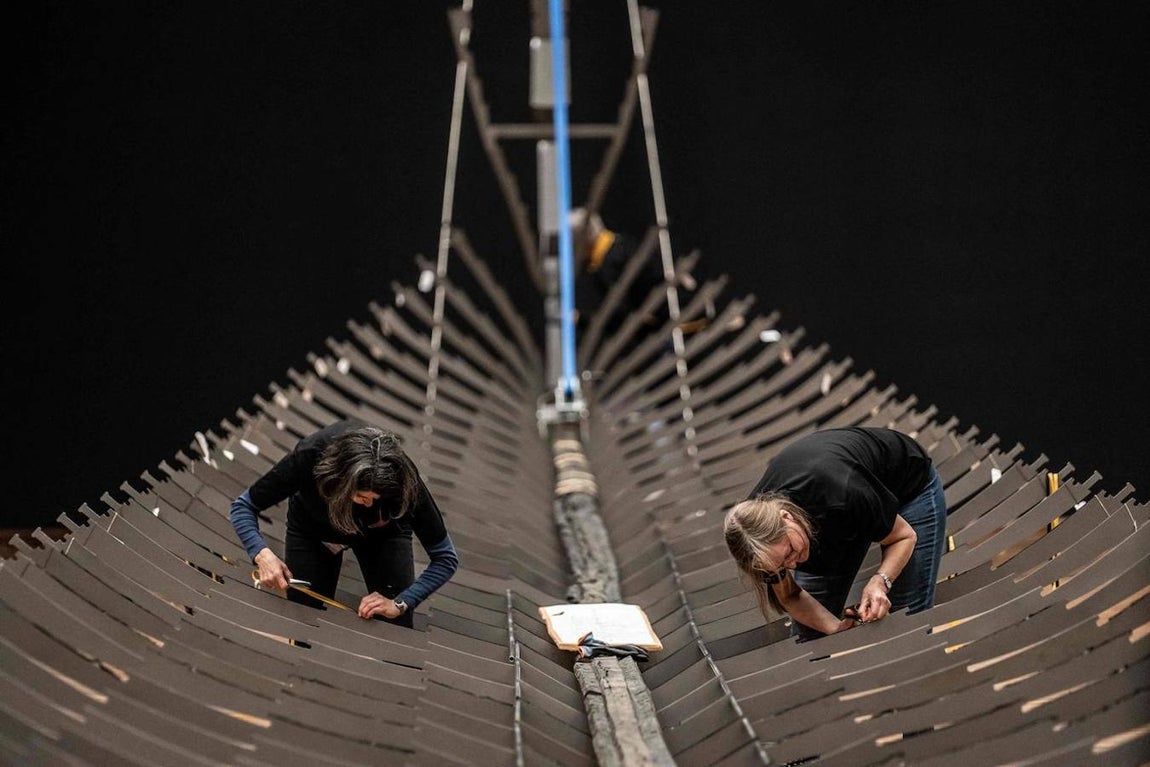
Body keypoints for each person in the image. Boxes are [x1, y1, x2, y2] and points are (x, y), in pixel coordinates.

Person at [229, 418, 459, 628]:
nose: (367, 505)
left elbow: (445, 558)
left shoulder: (405, 483)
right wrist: (262, 554)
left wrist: (401, 603)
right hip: (313, 529)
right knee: (303, 621)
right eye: (361, 498)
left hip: (381, 537)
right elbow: (243, 506)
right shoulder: (311, 456)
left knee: (394, 626)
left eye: (374, 501)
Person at [723, 426, 947, 641]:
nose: (792, 564)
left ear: (786, 517)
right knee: (808, 636)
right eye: (782, 566)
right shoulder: (756, 546)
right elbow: (790, 596)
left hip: (909, 488)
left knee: (907, 621)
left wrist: (880, 581)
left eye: (790, 551)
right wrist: (836, 627)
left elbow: (904, 536)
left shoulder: (842, 492)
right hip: (838, 516)